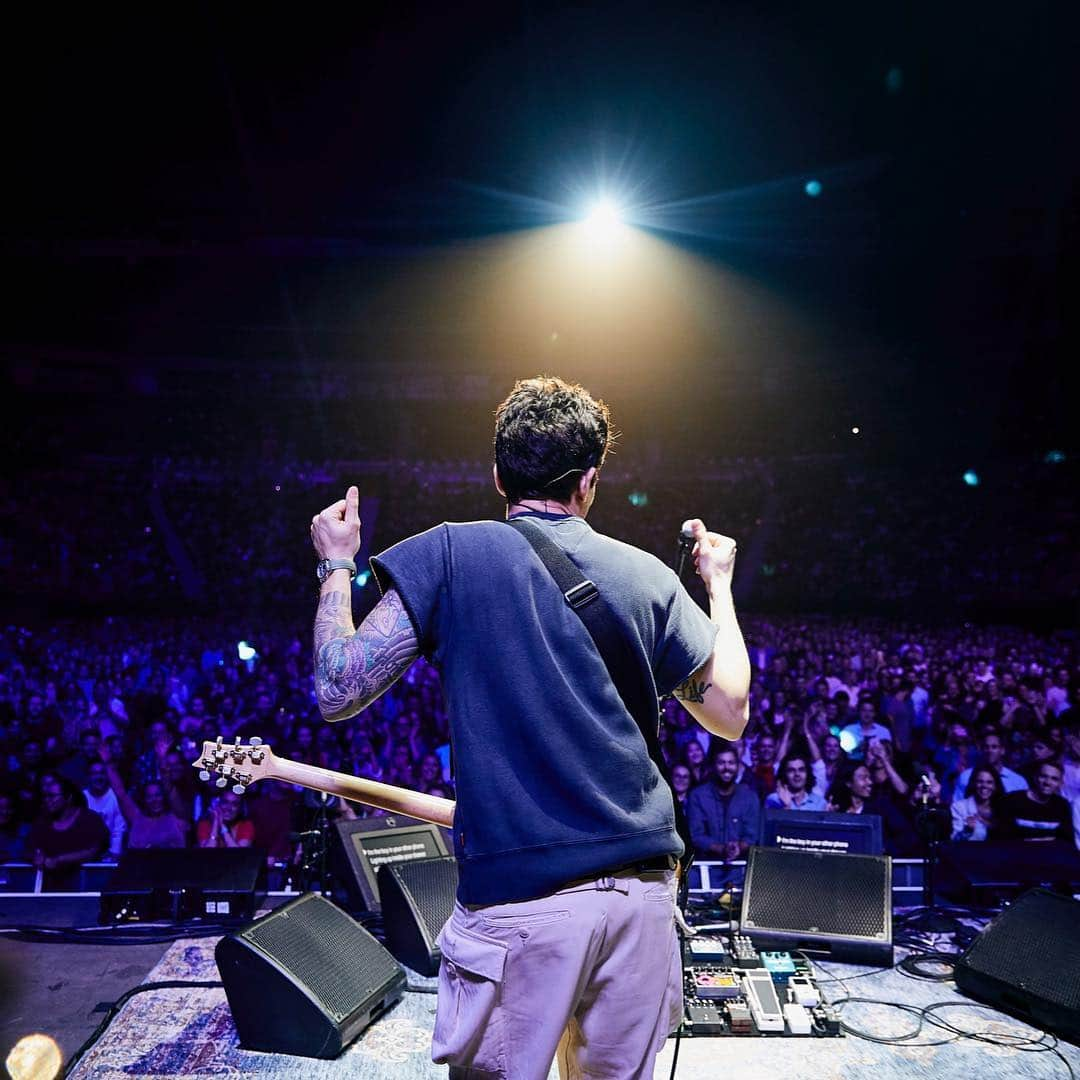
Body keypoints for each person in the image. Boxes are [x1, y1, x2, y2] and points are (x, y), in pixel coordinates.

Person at [308, 376, 750, 1079]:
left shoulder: (449, 554)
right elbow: (729, 713)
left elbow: (338, 689)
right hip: (638, 904)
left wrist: (336, 564)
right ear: (591, 481)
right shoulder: (646, 576)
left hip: (520, 909)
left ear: (496, 475)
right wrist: (719, 586)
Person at [25, 775, 107, 890]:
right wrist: (37, 855)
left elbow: (93, 851)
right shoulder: (42, 821)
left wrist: (59, 860)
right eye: (45, 797)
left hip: (84, 887)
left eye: (52, 796)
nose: (47, 800)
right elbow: (32, 847)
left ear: (68, 797)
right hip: (50, 890)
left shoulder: (90, 819)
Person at [687, 746, 762, 861]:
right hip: (706, 865)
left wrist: (738, 848)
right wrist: (721, 849)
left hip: (740, 866)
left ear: (738, 766)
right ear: (713, 767)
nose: (726, 767)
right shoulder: (697, 796)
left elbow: (752, 836)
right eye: (721, 763)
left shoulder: (750, 797)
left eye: (731, 763)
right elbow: (695, 835)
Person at [994, 762, 1073, 843]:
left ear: (1060, 784)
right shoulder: (1011, 801)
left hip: (1049, 854)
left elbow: (1066, 842)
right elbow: (1002, 839)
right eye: (1043, 776)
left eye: (1054, 779)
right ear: (1035, 777)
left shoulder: (1062, 806)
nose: (1047, 782)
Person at [950, 765, 1003, 841]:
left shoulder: (1003, 809)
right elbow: (953, 840)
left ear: (995, 786)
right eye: (980, 781)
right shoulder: (959, 807)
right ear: (973, 783)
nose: (984, 786)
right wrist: (967, 831)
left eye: (989, 782)